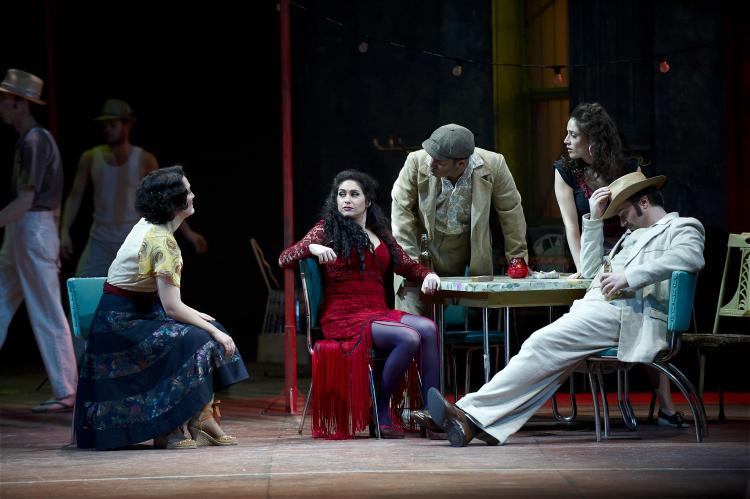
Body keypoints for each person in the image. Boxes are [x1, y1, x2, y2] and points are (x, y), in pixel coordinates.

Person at [426, 172, 705, 446]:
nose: (620, 222)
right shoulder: (630, 236)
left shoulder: (682, 227)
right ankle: (476, 421)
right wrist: (594, 220)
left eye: (623, 212)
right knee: (549, 357)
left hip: (627, 315)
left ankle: (466, 411)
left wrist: (630, 276)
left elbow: (690, 256)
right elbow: (592, 270)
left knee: (540, 343)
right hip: (597, 309)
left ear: (644, 202)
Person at [74, 166, 248, 450]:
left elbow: (167, 303)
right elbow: (172, 308)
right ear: (174, 202)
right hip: (120, 324)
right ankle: (168, 426)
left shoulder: (152, 225)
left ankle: (201, 420)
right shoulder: (160, 241)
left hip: (142, 311)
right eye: (188, 192)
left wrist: (205, 322)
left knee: (211, 326)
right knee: (200, 338)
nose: (193, 195)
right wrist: (214, 333)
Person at [279, 169, 441, 439]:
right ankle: (378, 409)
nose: (347, 200)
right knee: (409, 338)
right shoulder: (325, 229)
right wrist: (312, 248)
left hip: (377, 311)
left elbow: (406, 264)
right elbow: (285, 257)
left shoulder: (379, 233)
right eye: (341, 194)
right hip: (344, 316)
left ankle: (433, 415)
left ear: (367, 201)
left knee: (428, 329)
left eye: (354, 194)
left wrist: (429, 274)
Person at [554, 103, 686, 427]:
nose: (566, 141)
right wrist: (586, 270)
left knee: (647, 311)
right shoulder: (566, 172)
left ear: (592, 141)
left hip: (631, 249)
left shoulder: (626, 168)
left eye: (573, 135)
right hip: (591, 247)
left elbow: (648, 220)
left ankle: (667, 407)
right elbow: (572, 225)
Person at [0, 68, 78, 413]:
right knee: (1, 299)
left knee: (46, 308)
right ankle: (66, 387)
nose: (1, 106)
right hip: (26, 229)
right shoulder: (30, 140)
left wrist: (53, 233)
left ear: (20, 104)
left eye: (5, 100)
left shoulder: (34, 140)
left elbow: (29, 201)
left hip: (31, 227)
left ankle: (66, 388)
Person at [391, 123, 529, 316]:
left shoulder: (494, 164)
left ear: (461, 163)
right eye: (430, 155)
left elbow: (511, 212)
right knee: (411, 320)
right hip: (422, 248)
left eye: (439, 161)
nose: (430, 163)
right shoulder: (416, 161)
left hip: (466, 248)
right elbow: (401, 212)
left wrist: (517, 259)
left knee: (451, 318)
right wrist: (411, 264)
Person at [60, 99, 207, 278]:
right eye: (104, 125)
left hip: (132, 241)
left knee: (137, 295)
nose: (107, 129)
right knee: (82, 289)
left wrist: (189, 234)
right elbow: (74, 196)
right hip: (100, 240)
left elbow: (165, 199)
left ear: (127, 125)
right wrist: (65, 231)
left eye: (112, 125)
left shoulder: (144, 159)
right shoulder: (91, 157)